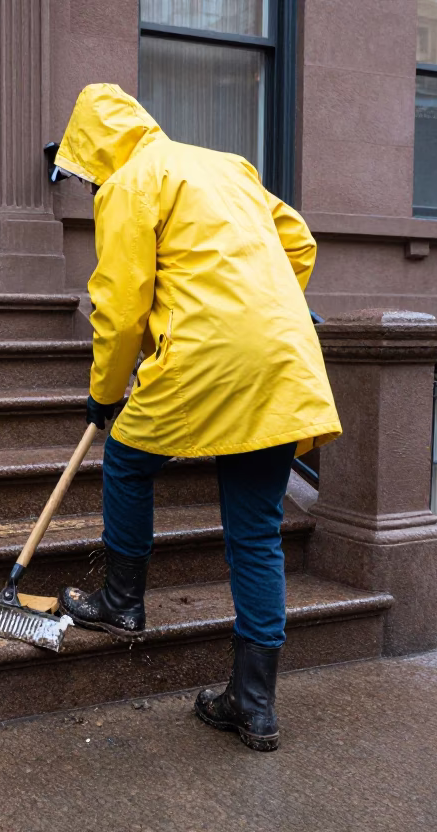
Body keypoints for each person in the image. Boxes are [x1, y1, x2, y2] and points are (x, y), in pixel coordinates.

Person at [51, 84, 341, 752]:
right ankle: (255, 705)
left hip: (207, 357)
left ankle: (122, 602)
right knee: (257, 532)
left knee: (126, 459)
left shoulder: (129, 182)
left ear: (96, 147)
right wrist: (253, 303)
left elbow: (121, 304)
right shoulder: (227, 166)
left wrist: (105, 391)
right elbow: (299, 244)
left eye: (85, 170)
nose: (89, 183)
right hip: (282, 359)